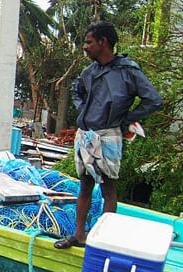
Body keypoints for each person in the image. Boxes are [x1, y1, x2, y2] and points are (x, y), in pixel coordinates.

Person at [54, 21, 161, 249]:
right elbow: (77, 89)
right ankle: (79, 234)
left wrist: (128, 117)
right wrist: (83, 109)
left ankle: (103, 241)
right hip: (86, 134)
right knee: (84, 184)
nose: (85, 47)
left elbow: (153, 99)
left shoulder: (127, 71)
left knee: (108, 188)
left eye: (89, 42)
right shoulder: (90, 72)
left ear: (103, 42)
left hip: (109, 134)